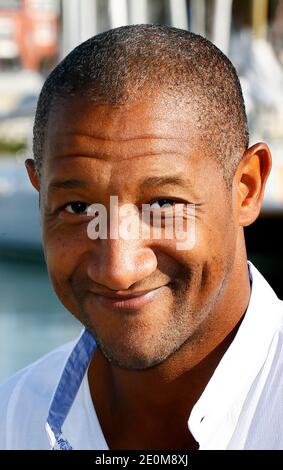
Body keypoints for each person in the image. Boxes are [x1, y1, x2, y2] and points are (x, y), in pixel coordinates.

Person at [0, 24, 282, 451]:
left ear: (246, 188)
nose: (117, 270)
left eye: (164, 205)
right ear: (40, 193)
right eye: (77, 209)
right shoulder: (12, 419)